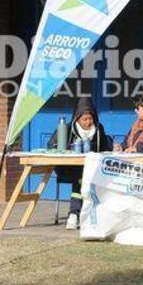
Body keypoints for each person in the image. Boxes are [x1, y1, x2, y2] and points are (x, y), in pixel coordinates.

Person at [48, 97, 112, 229]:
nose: (89, 122)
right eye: (85, 119)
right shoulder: (66, 129)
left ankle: (76, 214)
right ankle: (75, 214)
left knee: (84, 175)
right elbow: (51, 145)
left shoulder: (98, 130)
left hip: (93, 169)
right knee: (81, 175)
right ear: (77, 119)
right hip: (68, 168)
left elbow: (106, 146)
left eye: (91, 118)